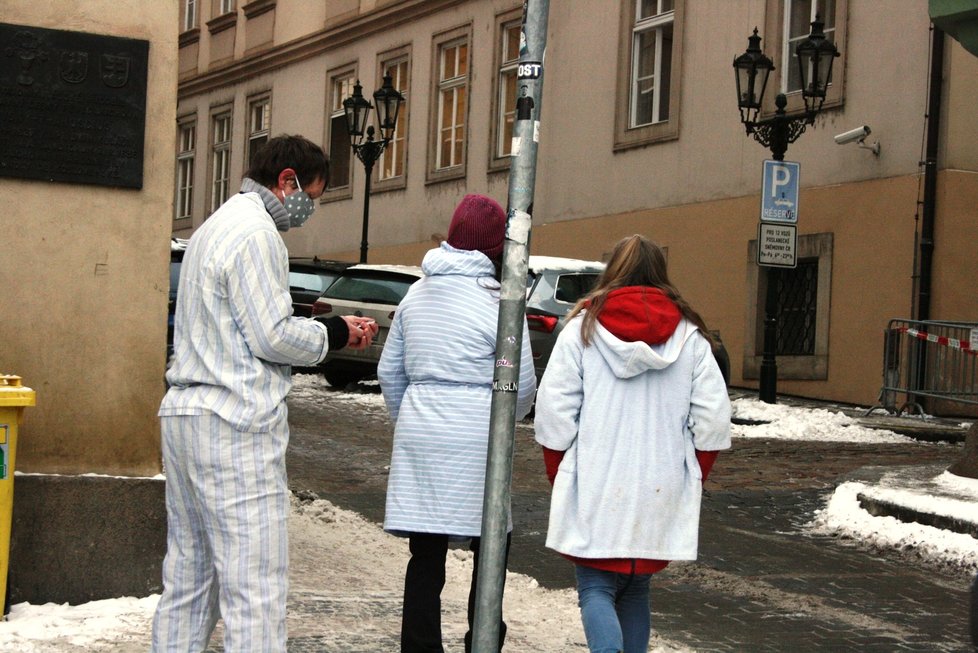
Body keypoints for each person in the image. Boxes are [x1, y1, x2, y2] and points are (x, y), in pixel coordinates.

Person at [152, 134, 378, 652]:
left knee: (189, 582)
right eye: (313, 196)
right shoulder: (258, 234)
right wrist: (335, 333)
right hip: (234, 423)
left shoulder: (215, 226)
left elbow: (236, 323)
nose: (310, 209)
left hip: (188, 412)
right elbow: (271, 336)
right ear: (287, 181)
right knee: (255, 588)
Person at [534, 234, 731, 653]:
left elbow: (553, 413)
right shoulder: (691, 338)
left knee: (596, 587)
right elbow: (713, 421)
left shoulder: (582, 331)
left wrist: (561, 477)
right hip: (659, 481)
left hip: (596, 478)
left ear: (613, 271)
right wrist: (688, 474)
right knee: (637, 589)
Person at [377, 194, 537, 653]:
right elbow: (521, 385)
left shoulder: (415, 294)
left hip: (422, 433)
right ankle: (483, 641)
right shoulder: (502, 303)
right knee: (491, 548)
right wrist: (505, 425)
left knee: (425, 555)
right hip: (478, 439)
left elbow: (390, 372)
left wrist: (408, 419)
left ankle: (420, 647)